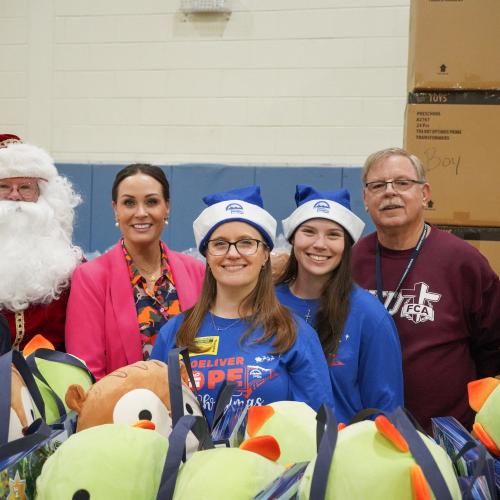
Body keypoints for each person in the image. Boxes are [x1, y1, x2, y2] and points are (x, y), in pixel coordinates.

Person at [151, 186, 334, 426]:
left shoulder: (294, 334)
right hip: (192, 464)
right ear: (206, 254)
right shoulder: (175, 333)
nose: (233, 254)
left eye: (246, 243)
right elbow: (156, 422)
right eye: (220, 244)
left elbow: (320, 427)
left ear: (265, 253)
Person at [352, 147, 500, 433]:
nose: (390, 192)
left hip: (448, 436)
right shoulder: (353, 261)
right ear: (366, 199)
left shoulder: (462, 261)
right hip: (369, 435)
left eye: (402, 183)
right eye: (378, 185)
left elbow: (493, 346)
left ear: (424, 193)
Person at [275, 185, 403, 424]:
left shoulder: (369, 315)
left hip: (343, 454)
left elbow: (386, 411)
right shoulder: (266, 305)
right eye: (309, 232)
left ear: (347, 244)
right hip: (273, 451)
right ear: (293, 237)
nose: (320, 244)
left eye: (333, 235)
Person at [65, 164, 205, 380]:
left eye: (151, 202)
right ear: (116, 209)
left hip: (193, 408)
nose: (141, 213)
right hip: (118, 410)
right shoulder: (90, 278)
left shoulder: (197, 271)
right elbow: (87, 373)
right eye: (129, 203)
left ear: (167, 207)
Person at [0, 134, 83, 352]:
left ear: (43, 194)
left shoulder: (72, 266)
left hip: (51, 380)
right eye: (4, 187)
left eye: (25, 187)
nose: (14, 196)